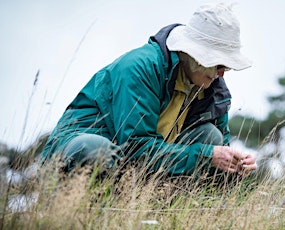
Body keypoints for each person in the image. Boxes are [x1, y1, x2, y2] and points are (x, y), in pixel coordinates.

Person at [40, 3, 257, 178]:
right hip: (76, 158)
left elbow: (220, 156)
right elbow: (135, 148)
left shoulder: (212, 88)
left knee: (210, 136)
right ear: (194, 54)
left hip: (136, 167)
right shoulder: (140, 67)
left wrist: (236, 167)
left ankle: (166, 214)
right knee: (94, 148)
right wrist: (206, 156)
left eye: (226, 66)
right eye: (219, 64)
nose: (222, 73)